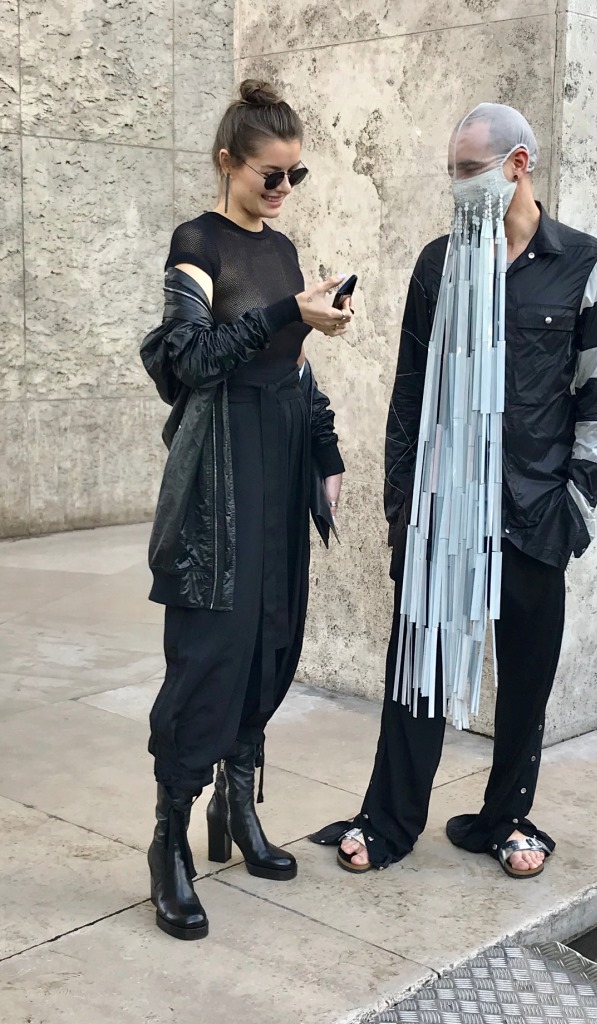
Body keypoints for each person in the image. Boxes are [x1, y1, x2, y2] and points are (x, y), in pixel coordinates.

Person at [311, 102, 597, 879]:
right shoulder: (438, 264)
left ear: (518, 165)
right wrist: (402, 504)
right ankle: (388, 820)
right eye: (452, 171)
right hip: (444, 510)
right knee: (416, 661)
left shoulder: (586, 265)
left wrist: (575, 507)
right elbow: (409, 390)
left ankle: (505, 818)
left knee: (526, 676)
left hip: (535, 507)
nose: (458, 186)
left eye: (470, 171)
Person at [140, 79, 352, 940]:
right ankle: (170, 839)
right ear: (228, 161)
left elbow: (295, 367)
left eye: (297, 175)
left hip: (280, 460)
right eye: (272, 174)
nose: (284, 189)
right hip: (220, 476)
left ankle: (239, 804)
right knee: (209, 654)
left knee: (271, 636)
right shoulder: (196, 244)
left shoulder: (286, 250)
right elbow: (189, 360)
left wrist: (326, 452)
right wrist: (283, 313)